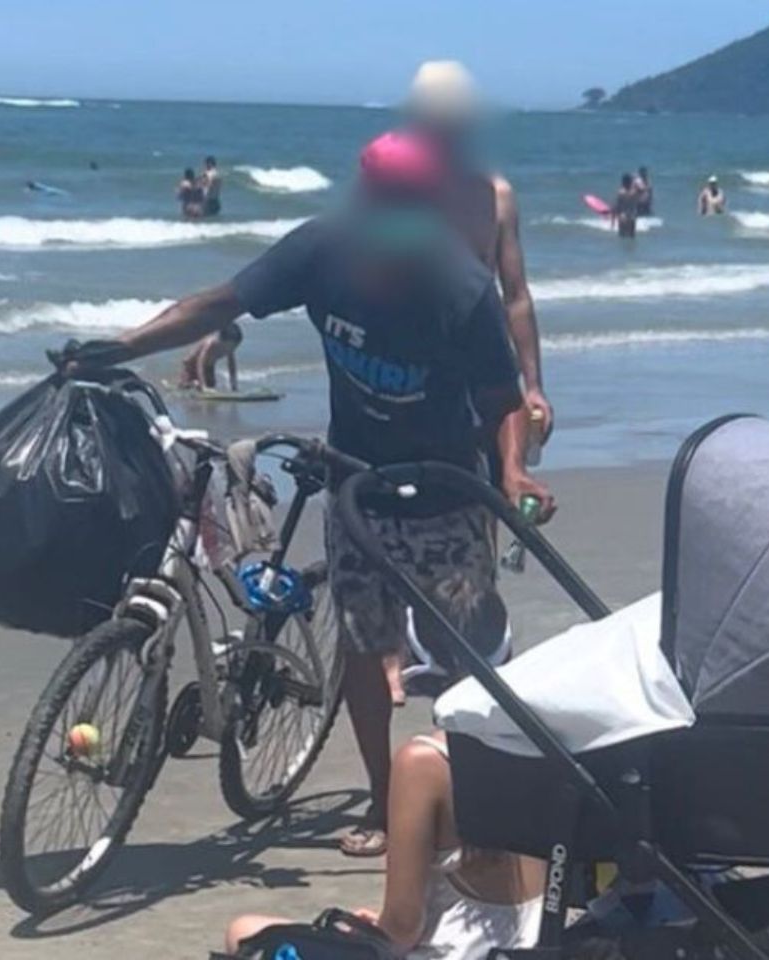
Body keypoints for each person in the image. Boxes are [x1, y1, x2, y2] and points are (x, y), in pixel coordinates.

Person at [99, 130, 554, 857]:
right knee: (363, 648)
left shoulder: (459, 287)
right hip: (356, 485)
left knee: (460, 657)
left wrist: (512, 472)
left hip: (446, 492)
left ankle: (462, 796)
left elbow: (501, 400)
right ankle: (384, 802)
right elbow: (217, 302)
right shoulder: (322, 249)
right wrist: (121, 346)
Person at [225, 732, 544, 959]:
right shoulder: (540, 741)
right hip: (532, 943)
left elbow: (402, 929)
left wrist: (372, 928)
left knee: (245, 931)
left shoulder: (426, 760)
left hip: (451, 951)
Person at [405, 61, 552, 438]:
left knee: (491, 482)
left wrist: (534, 387)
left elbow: (516, 296)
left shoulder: (496, 195)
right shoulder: (398, 193)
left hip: (482, 366)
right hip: (407, 366)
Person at [177, 322, 242, 392]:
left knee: (212, 386)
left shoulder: (230, 347)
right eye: (229, 345)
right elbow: (199, 363)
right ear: (221, 340)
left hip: (208, 367)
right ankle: (191, 383)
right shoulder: (210, 344)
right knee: (187, 386)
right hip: (190, 365)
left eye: (234, 346)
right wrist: (203, 386)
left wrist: (234, 386)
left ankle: (196, 384)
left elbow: (231, 366)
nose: (231, 348)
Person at [613, 172, 640, 238]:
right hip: (632, 215)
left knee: (622, 236)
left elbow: (617, 206)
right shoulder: (634, 192)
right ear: (630, 182)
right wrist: (635, 179)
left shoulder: (620, 192)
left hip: (623, 216)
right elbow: (641, 189)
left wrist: (613, 219)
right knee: (632, 236)